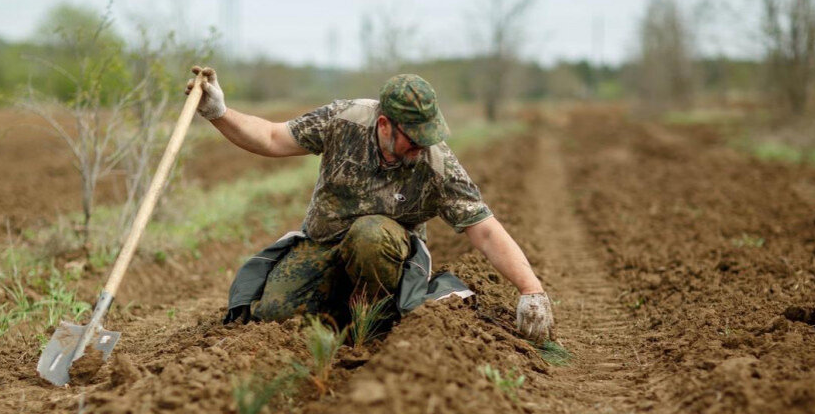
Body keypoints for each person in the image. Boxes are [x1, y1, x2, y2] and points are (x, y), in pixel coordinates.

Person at [185, 66, 555, 343]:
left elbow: (485, 229)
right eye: (413, 140)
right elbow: (270, 137)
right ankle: (339, 311)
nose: (421, 148)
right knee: (273, 317)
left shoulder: (437, 164)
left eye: (428, 138)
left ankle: (374, 322)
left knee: (370, 234)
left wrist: (530, 290)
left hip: (388, 258)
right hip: (325, 244)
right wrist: (219, 113)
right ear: (383, 125)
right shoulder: (343, 121)